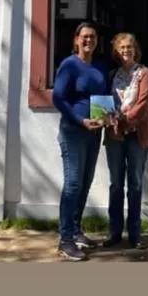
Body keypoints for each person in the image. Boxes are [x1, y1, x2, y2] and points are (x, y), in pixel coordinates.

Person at [52, 22, 109, 261]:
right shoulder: (69, 65)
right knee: (73, 183)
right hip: (73, 132)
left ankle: (75, 231)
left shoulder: (99, 67)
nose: (89, 40)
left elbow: (103, 98)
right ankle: (65, 240)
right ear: (76, 40)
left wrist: (107, 118)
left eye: (93, 37)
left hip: (94, 132)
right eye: (85, 37)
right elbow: (58, 98)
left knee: (85, 183)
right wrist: (79, 119)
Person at [103, 33, 148, 250]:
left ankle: (135, 234)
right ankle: (114, 232)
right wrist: (105, 116)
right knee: (116, 184)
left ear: (136, 50)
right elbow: (105, 102)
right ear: (116, 51)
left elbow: (143, 104)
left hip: (137, 134)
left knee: (134, 184)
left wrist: (123, 119)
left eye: (130, 47)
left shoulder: (144, 73)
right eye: (122, 47)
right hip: (114, 135)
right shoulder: (112, 74)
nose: (126, 51)